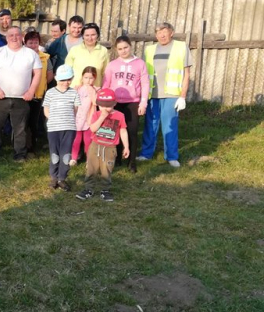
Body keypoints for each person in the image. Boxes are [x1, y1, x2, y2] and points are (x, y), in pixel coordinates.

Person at [137, 22, 193, 168]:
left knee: (169, 125)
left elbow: (187, 74)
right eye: (158, 32)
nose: (161, 35)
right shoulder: (149, 50)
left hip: (172, 94)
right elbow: (143, 74)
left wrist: (183, 96)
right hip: (152, 94)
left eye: (164, 31)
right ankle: (146, 153)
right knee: (150, 125)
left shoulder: (181, 47)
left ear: (171, 32)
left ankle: (172, 156)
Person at [0, 26, 42, 161]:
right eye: (11, 35)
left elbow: (38, 73)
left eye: (17, 35)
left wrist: (31, 91)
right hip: (0, 97)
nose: (14, 38)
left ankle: (20, 154)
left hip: (22, 98)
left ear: (22, 36)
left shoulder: (30, 54)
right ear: (6, 38)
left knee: (20, 128)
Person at [102, 36, 149, 172]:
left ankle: (132, 161)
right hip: (115, 103)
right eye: (120, 49)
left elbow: (145, 84)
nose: (123, 51)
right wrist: (105, 103)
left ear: (130, 46)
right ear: (116, 50)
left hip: (132, 102)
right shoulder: (112, 65)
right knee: (115, 131)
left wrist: (143, 103)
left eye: (125, 47)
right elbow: (106, 84)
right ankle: (116, 158)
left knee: (132, 131)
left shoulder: (140, 64)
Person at [76, 88, 129, 202]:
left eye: (108, 106)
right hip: (95, 146)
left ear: (115, 104)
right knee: (91, 168)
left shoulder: (120, 116)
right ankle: (88, 189)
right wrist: (102, 117)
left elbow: (123, 131)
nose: (105, 108)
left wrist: (126, 146)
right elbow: (93, 128)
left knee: (107, 169)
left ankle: (105, 190)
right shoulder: (96, 114)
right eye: (102, 106)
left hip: (110, 148)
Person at [43, 65, 81, 190]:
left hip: (69, 128)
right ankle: (54, 177)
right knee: (54, 153)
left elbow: (75, 109)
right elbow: (46, 109)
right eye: (63, 80)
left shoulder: (74, 92)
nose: (66, 82)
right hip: (54, 128)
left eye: (69, 79)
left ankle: (62, 178)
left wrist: (69, 121)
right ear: (56, 78)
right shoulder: (50, 92)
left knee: (66, 154)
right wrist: (52, 119)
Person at [23, 30, 53, 155]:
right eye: (30, 43)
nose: (33, 45)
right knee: (22, 121)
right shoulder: (20, 55)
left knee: (33, 121)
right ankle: (21, 146)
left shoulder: (45, 58)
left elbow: (49, 76)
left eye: (35, 42)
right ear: (25, 43)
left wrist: (40, 84)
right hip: (22, 94)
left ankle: (32, 147)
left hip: (38, 95)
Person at [65, 22, 109, 87]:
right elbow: (67, 70)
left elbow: (105, 73)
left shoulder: (103, 51)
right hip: (75, 90)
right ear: (82, 36)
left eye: (93, 35)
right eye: (87, 35)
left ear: (98, 35)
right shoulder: (74, 50)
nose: (90, 38)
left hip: (95, 90)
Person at [70, 66, 98, 165]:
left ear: (95, 78)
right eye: (86, 77)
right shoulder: (77, 89)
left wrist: (92, 92)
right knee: (76, 140)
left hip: (88, 119)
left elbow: (96, 102)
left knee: (88, 141)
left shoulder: (96, 90)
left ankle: (88, 159)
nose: (88, 80)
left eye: (91, 78)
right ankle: (73, 158)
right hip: (77, 118)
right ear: (82, 77)